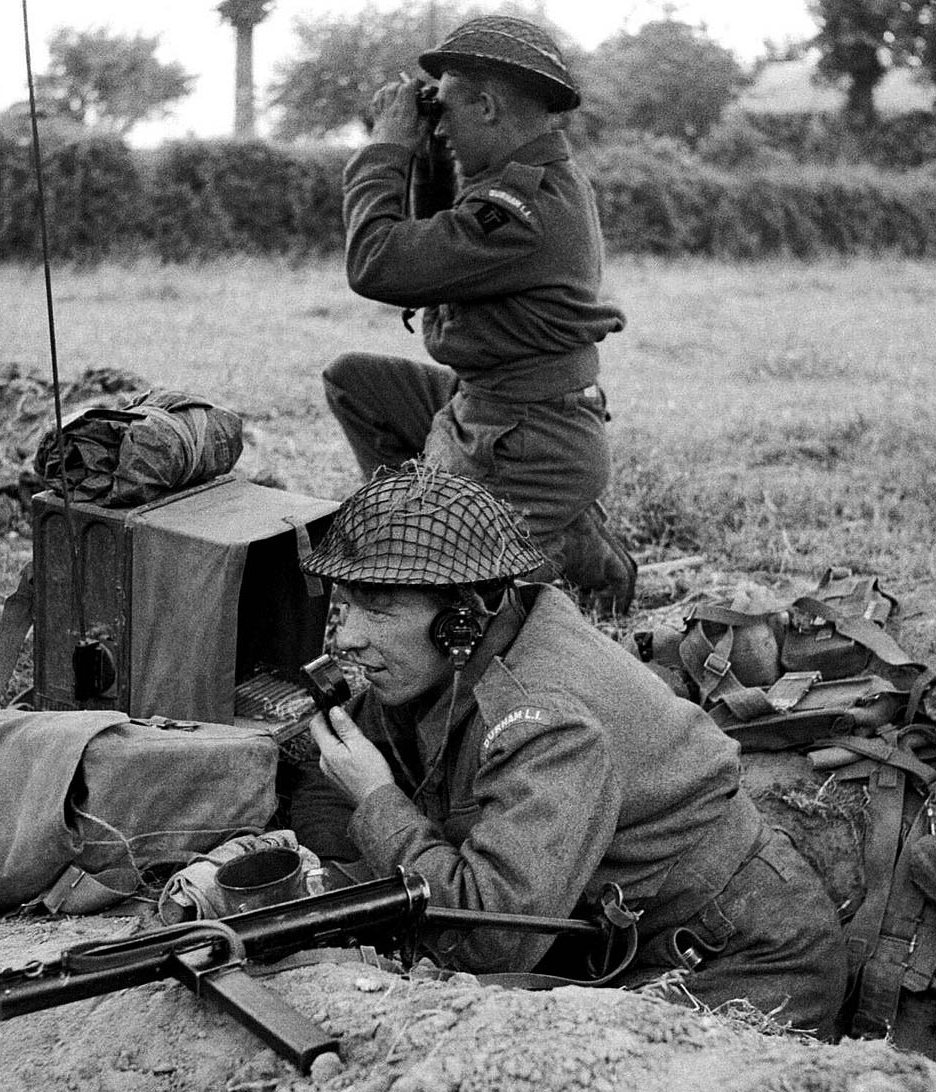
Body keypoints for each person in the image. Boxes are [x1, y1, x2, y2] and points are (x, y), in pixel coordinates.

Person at [289, 462, 848, 1038]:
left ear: (458, 618)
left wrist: (378, 801)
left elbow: (488, 939)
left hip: (739, 964)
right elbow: (330, 786)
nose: (347, 638)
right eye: (345, 606)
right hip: (620, 944)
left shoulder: (546, 720)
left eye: (377, 609)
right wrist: (325, 873)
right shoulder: (460, 650)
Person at [323, 16, 636, 611]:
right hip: (485, 404)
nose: (437, 131)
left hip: (529, 440)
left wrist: (385, 148)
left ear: (488, 107)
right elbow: (440, 240)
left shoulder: (521, 209)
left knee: (444, 604)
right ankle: (434, 512)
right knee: (355, 382)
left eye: (445, 111)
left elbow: (377, 263)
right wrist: (429, 153)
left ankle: (571, 552)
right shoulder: (513, 180)